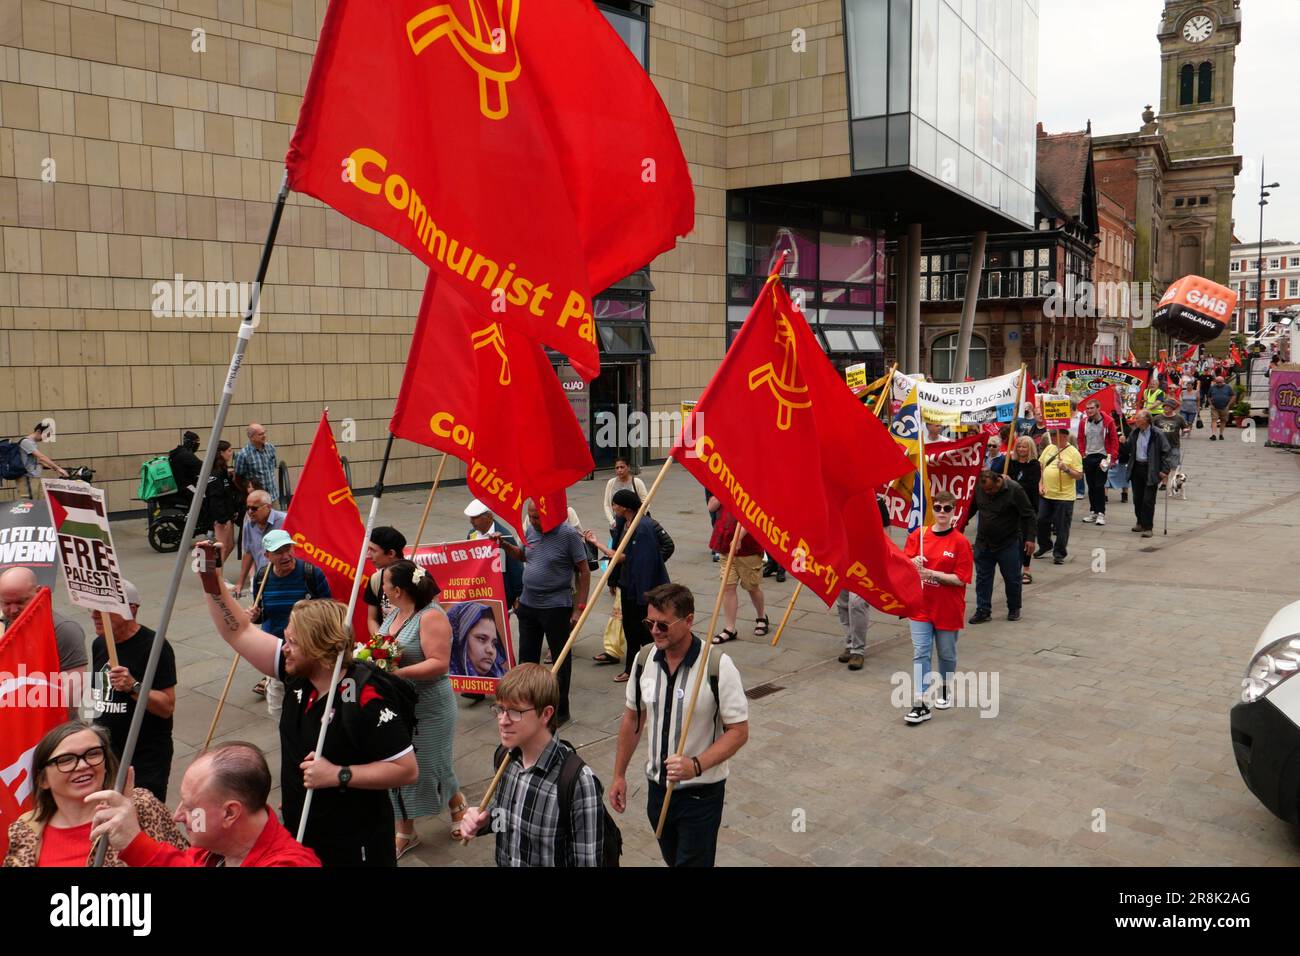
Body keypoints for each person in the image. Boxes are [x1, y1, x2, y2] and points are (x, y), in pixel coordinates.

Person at [194, 542, 418, 867]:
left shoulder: (366, 698)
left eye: (293, 642)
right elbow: (238, 630)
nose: (284, 647)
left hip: (356, 845)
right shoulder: (297, 674)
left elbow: (406, 769)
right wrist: (210, 582)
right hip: (304, 831)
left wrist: (339, 774)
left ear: (319, 647)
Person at [610, 583, 749, 868]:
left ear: (688, 620)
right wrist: (619, 775)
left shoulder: (718, 665)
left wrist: (695, 764)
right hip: (657, 791)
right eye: (650, 623)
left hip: (701, 794)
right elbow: (633, 718)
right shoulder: (643, 659)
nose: (655, 631)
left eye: (663, 625)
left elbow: (738, 732)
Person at [459, 664, 607, 866]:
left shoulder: (579, 782)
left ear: (546, 714)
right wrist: (485, 821)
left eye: (515, 712)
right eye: (500, 709)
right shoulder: (505, 758)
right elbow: (509, 816)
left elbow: (588, 861)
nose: (503, 720)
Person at [86, 741, 321, 867]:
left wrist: (135, 843)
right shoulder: (213, 849)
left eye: (190, 808)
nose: (178, 816)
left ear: (230, 812)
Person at [375, 559, 466, 855]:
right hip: (401, 705)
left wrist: (396, 673)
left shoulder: (430, 617)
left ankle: (453, 808)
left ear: (399, 589)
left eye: (385, 583)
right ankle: (408, 829)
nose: (382, 588)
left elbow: (438, 664)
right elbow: (384, 647)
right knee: (403, 765)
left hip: (430, 706)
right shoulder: (395, 613)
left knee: (432, 764)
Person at [3, 721, 186, 867]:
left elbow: (191, 862)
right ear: (42, 780)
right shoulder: (25, 829)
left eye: (93, 754)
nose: (83, 765)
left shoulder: (139, 807)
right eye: (66, 760)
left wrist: (136, 839)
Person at [495, 502, 591, 727]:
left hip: (556, 605)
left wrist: (580, 608)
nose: (533, 522)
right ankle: (525, 705)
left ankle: (560, 710)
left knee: (560, 659)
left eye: (537, 517)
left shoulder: (568, 535)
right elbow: (524, 555)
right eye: (530, 516)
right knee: (526, 659)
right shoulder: (530, 530)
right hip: (529, 604)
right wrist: (505, 545)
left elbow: (584, 572)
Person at [90, 580, 176, 803]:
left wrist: (134, 687)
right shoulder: (99, 644)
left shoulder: (155, 647)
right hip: (107, 756)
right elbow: (98, 696)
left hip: (144, 759)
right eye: (93, 608)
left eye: (104, 609)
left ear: (131, 609)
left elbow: (166, 707)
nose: (95, 615)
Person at [584, 488, 669, 684]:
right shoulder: (624, 523)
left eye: (614, 504)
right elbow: (621, 555)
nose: (612, 508)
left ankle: (651, 667)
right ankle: (631, 668)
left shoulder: (643, 527)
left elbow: (638, 560)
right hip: (628, 586)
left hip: (642, 590)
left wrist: (644, 594)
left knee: (645, 631)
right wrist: (596, 544)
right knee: (630, 630)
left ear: (623, 506)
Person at [902, 490, 973, 724]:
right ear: (933, 509)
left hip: (947, 607)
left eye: (947, 508)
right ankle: (921, 703)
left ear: (954, 512)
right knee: (921, 652)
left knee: (946, 653)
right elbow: (903, 565)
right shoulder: (918, 536)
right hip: (920, 607)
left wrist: (932, 573)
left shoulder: (960, 542)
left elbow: (961, 579)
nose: (942, 512)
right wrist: (913, 563)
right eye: (938, 507)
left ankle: (944, 686)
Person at [251, 530, 331, 717]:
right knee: (278, 708)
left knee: (309, 703)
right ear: (267, 555)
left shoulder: (310, 573)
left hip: (307, 650)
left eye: (288, 548)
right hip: (275, 649)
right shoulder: (262, 577)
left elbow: (329, 612)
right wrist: (255, 616)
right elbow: (262, 614)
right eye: (279, 551)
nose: (286, 555)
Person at [0, 566, 87, 716]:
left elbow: (71, 696)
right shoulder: (3, 625)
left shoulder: (63, 631)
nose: (13, 610)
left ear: (38, 592)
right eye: (7, 603)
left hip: (50, 730)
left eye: (21, 602)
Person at [833, 495, 891, 670]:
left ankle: (858, 651)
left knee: (857, 603)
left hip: (864, 564)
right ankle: (850, 643)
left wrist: (880, 560)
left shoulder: (877, 502)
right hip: (843, 559)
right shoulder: (838, 497)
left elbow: (886, 534)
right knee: (843, 603)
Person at [968, 470, 1035, 624]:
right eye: (985, 491)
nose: (988, 493)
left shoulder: (1014, 489)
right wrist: (960, 525)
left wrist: (1030, 538)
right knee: (983, 578)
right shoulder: (979, 488)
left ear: (999, 481)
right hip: (983, 543)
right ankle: (983, 610)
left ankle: (1014, 608)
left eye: (991, 489)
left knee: (1012, 578)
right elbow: (971, 509)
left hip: (1008, 542)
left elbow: (1028, 514)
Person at [707, 497, 768, 642]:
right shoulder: (727, 482)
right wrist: (719, 493)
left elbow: (753, 515)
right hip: (725, 544)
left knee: (752, 587)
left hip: (748, 548)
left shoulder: (752, 486)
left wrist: (739, 537)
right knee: (728, 587)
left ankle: (761, 616)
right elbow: (711, 507)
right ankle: (730, 628)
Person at [1035, 429, 1084, 566]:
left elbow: (1079, 475)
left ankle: (1059, 552)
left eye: (1054, 435)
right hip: (1047, 493)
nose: (1052, 438)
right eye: (1051, 435)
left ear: (1064, 436)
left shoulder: (1074, 453)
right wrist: (1040, 483)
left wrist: (1067, 469)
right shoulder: (1049, 448)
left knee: (1062, 525)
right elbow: (1041, 466)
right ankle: (1045, 545)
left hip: (1064, 496)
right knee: (1041, 520)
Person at [465, 499, 523, 610]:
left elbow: (516, 568)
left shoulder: (505, 537)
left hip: (500, 594)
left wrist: (518, 595)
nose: (471, 521)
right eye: (470, 518)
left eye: (475, 517)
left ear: (489, 517)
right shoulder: (472, 534)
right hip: (480, 593)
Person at [1124, 410, 1171, 538]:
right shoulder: (1135, 433)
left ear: (1146, 420)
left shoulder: (1157, 434)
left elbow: (1166, 452)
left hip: (1151, 469)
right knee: (1137, 499)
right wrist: (1123, 443)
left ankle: (1148, 527)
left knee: (1148, 500)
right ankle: (1140, 522)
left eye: (1138, 418)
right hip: (1136, 468)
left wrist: (1165, 470)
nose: (1135, 420)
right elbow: (1128, 450)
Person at [234, 489, 285, 599]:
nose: (250, 512)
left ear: (268, 507)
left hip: (283, 578)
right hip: (262, 579)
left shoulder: (284, 522)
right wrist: (240, 583)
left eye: (254, 508)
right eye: (247, 508)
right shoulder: (248, 526)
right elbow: (248, 554)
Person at [1003, 437, 1041, 585]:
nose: (1021, 450)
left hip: (1027, 506)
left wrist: (1010, 481)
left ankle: (1026, 568)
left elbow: (1029, 486)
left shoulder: (1034, 465)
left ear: (1030, 449)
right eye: (1019, 447)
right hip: (1011, 506)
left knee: (1027, 538)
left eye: (1024, 447)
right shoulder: (1010, 463)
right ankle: (1014, 565)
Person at [1075, 398, 1118, 526]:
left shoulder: (1108, 421)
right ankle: (1093, 511)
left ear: (1098, 408)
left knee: (1099, 486)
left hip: (1102, 457)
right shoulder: (1084, 422)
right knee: (1091, 486)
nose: (1089, 411)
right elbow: (1080, 438)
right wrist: (1082, 454)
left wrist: (1111, 458)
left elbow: (1114, 440)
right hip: (1088, 457)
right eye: (1087, 409)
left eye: (1092, 408)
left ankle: (1101, 513)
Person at [363, 526, 407, 637]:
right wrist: (382, 645)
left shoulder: (420, 577)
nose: (368, 556)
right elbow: (372, 619)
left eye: (373, 550)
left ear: (391, 553)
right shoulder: (375, 580)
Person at [448, 602, 509, 679]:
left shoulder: (504, 681)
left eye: (494, 643)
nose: (490, 650)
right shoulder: (437, 683)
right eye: (482, 639)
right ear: (460, 639)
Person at [206, 440, 242, 571]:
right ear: (221, 453)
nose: (231, 453)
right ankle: (216, 577)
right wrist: (222, 519)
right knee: (222, 546)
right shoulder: (215, 472)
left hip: (228, 514)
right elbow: (215, 498)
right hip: (221, 517)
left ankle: (214, 572)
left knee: (230, 545)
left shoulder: (224, 470)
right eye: (229, 451)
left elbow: (228, 494)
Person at [16, 420, 67, 497]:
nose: (45, 438)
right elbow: (41, 457)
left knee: (40, 503)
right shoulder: (26, 442)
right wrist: (58, 468)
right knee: (30, 504)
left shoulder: (32, 443)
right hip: (27, 478)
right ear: (38, 431)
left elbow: (33, 461)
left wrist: (47, 466)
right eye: (46, 435)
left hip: (34, 477)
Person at [234, 422, 278, 503]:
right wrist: (247, 490)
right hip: (257, 499)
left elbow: (272, 468)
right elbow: (238, 478)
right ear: (252, 437)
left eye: (264, 433)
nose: (264, 435)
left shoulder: (270, 448)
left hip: (273, 496)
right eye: (260, 434)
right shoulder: (243, 454)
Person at [602, 457, 648, 533]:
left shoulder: (637, 482)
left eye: (622, 467)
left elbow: (645, 502)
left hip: (634, 524)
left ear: (628, 467)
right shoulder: (611, 483)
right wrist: (612, 521)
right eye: (617, 468)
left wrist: (637, 520)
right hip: (616, 524)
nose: (619, 470)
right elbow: (606, 504)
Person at [1154, 396, 1189, 482]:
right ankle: (1165, 483)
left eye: (1168, 407)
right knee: (1162, 465)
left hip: (1174, 445)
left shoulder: (1179, 418)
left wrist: (1185, 430)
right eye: (1164, 406)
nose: (1165, 408)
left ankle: (1170, 482)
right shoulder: (1157, 418)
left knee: (1173, 465)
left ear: (1172, 408)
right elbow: (1152, 429)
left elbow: (1184, 427)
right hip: (1160, 446)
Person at [1107, 409, 1134, 505]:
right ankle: (1104, 496)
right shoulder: (1109, 428)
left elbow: (1131, 446)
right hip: (1111, 456)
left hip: (1123, 457)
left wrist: (1125, 441)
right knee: (1106, 475)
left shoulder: (1127, 430)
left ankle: (1125, 494)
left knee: (1124, 476)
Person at [167, 430, 203, 498]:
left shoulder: (179, 452)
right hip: (185, 487)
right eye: (196, 442)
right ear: (190, 443)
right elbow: (202, 466)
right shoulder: (186, 454)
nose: (198, 445)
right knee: (203, 497)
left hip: (180, 485)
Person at [1208, 375, 1234, 441]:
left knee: (1223, 420)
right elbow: (1208, 396)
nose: (1219, 383)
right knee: (1214, 419)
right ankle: (1213, 434)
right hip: (1214, 407)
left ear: (1223, 381)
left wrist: (1228, 405)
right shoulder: (1212, 387)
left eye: (1220, 382)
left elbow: (1233, 396)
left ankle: (1221, 434)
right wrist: (1211, 404)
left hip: (1224, 407)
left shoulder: (1228, 387)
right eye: (1217, 382)